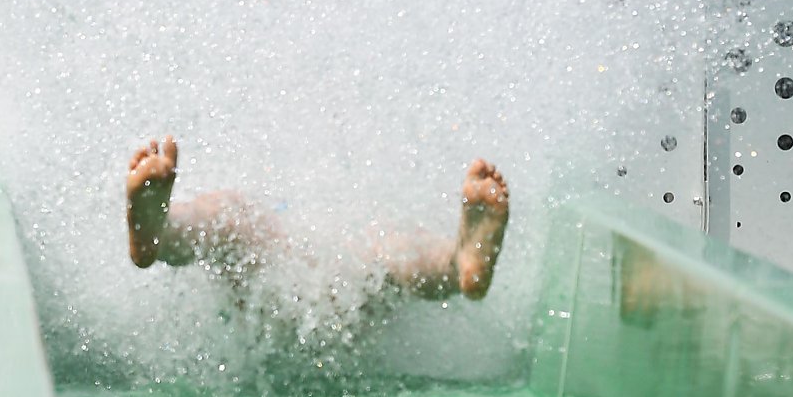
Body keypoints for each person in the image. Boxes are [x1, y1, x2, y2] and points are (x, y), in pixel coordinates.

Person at [126, 136, 510, 302]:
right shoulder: (351, 212)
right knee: (397, 249)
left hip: (262, 278)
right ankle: (456, 261)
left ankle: (163, 229)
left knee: (228, 215)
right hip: (354, 287)